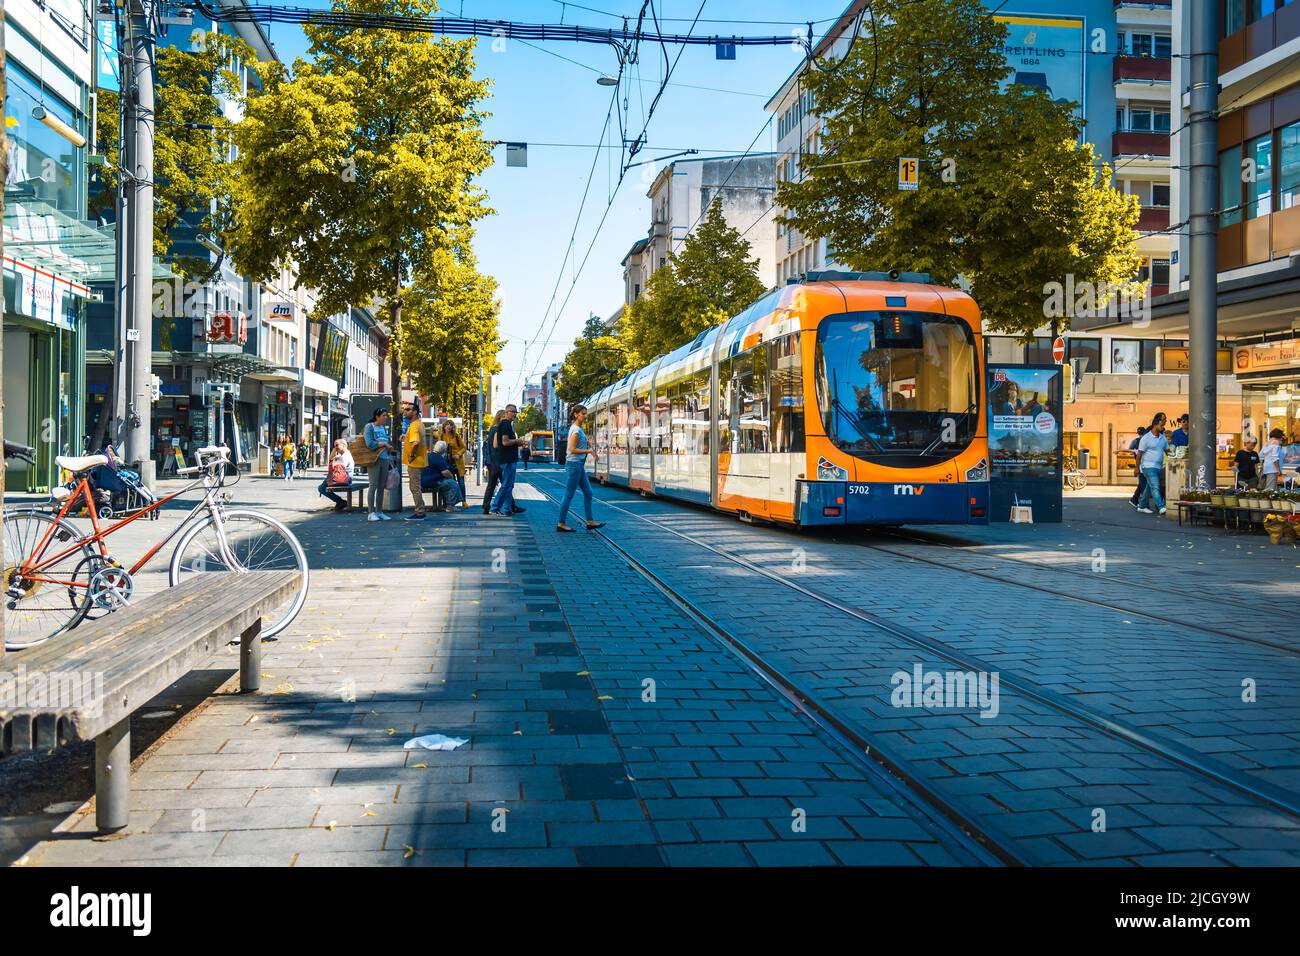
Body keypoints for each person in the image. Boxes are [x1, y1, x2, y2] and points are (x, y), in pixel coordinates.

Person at [556, 405, 605, 533]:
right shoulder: (576, 430)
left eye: (585, 413)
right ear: (576, 414)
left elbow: (577, 444)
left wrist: (587, 443)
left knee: (588, 492)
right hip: (574, 465)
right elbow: (572, 449)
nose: (585, 416)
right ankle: (561, 523)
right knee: (569, 494)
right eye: (583, 414)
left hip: (578, 465)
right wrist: (589, 450)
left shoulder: (578, 429)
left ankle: (589, 521)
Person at [490, 404, 527, 517]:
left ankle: (507, 509)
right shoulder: (505, 424)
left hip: (509, 459)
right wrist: (518, 441)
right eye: (513, 411)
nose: (515, 414)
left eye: (516, 412)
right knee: (506, 484)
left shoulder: (507, 424)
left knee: (509, 485)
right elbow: (505, 442)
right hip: (507, 460)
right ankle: (495, 507)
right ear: (506, 412)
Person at [364, 408, 395, 522]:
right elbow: (369, 443)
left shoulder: (383, 428)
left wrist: (388, 446)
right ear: (377, 416)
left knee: (382, 486)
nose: (386, 417)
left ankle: (379, 511)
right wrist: (383, 444)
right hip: (374, 459)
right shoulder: (369, 426)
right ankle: (371, 512)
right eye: (384, 415)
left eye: (386, 415)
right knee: (373, 485)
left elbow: (386, 441)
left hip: (385, 458)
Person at [1136, 415, 1169, 515]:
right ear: (1156, 423)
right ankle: (1161, 507)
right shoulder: (1146, 438)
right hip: (1148, 467)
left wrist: (1177, 456)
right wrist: (1136, 468)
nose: (1164, 425)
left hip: (1159, 467)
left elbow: (1168, 451)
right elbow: (1139, 453)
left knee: (1149, 487)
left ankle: (1141, 505)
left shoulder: (1163, 438)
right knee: (1155, 486)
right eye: (1163, 422)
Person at [402, 404, 428, 521]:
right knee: (416, 487)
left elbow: (416, 443)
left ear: (415, 412)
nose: (405, 411)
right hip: (420, 460)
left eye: (408, 410)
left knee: (414, 487)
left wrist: (412, 455)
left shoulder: (413, 426)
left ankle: (419, 512)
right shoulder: (419, 424)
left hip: (414, 462)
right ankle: (420, 510)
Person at [422, 440, 463, 511]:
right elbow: (445, 472)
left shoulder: (429, 455)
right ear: (443, 450)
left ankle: (446, 504)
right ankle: (450, 506)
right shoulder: (438, 458)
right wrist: (452, 477)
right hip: (433, 482)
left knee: (448, 483)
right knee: (452, 484)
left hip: (424, 481)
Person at [319, 438, 355, 512]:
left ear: (344, 445)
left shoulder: (345, 456)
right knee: (323, 486)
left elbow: (336, 467)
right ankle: (340, 502)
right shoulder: (343, 454)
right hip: (345, 478)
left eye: (337, 445)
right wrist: (335, 449)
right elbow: (331, 459)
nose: (335, 447)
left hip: (345, 479)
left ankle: (340, 502)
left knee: (321, 488)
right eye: (334, 445)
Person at [440, 420, 469, 508]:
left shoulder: (456, 436)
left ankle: (464, 501)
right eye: (446, 425)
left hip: (457, 463)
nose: (448, 426)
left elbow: (464, 448)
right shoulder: (441, 436)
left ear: (452, 427)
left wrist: (458, 454)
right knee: (450, 483)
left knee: (461, 483)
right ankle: (450, 502)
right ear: (444, 427)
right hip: (447, 463)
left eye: (450, 425)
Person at [481, 410, 505, 515]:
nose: (506, 418)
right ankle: (511, 506)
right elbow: (495, 445)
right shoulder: (497, 429)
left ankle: (486, 507)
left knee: (493, 484)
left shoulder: (492, 428)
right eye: (504, 416)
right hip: (497, 461)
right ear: (500, 417)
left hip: (492, 461)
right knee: (505, 484)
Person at [1128, 426, 1149, 507]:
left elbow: (1130, 450)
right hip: (1142, 463)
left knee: (1142, 482)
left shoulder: (1135, 440)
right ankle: (1140, 502)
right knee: (1143, 482)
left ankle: (1135, 499)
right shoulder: (1144, 440)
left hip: (1139, 463)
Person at [1260, 428, 1285, 492]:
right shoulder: (1276, 442)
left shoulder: (1267, 443)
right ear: (1279, 436)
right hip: (1273, 468)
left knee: (1269, 487)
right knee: (1270, 489)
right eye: (1282, 436)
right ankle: (1266, 501)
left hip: (1266, 467)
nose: (1282, 438)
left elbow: (1260, 455)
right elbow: (1275, 458)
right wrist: (1278, 470)